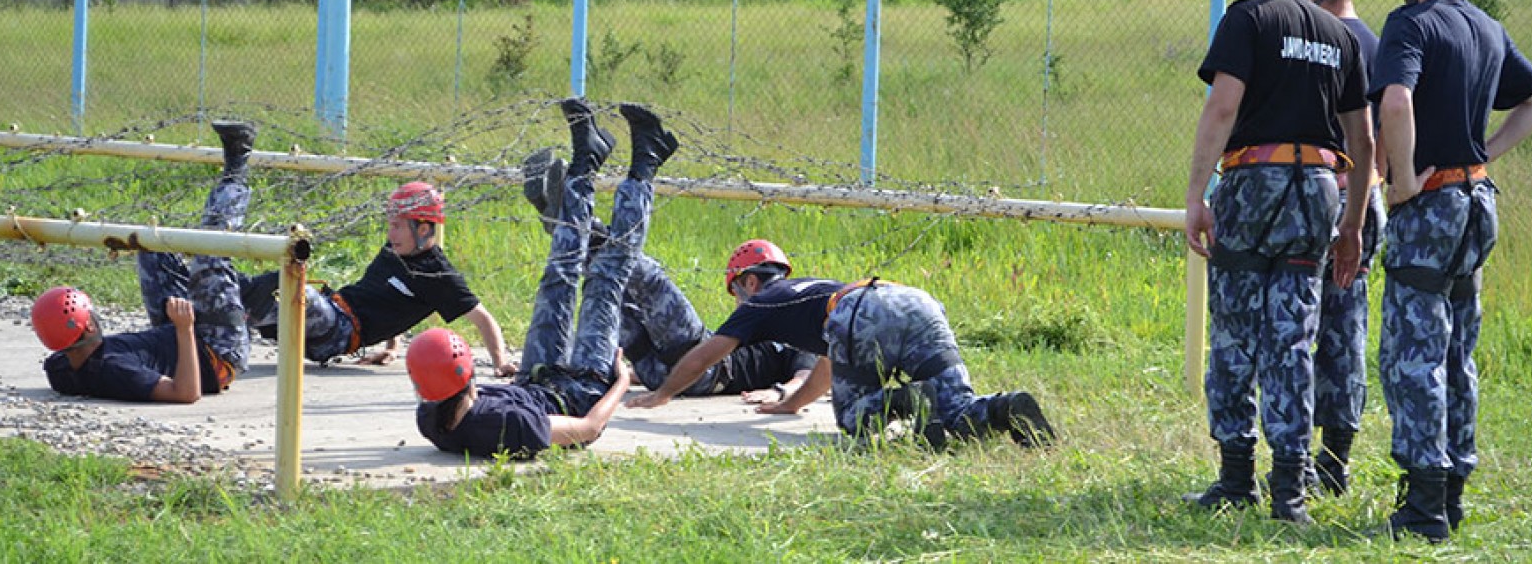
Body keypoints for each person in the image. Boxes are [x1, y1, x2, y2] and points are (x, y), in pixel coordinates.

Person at [1181, 0, 1374, 524]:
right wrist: (1353, 222)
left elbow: (1222, 108)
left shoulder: (1248, 18)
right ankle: (1290, 491)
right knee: (1295, 336)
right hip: (1320, 188)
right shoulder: (1340, 35)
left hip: (1253, 182)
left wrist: (1195, 193)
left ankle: (1237, 476)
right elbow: (1363, 138)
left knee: (1236, 331)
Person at [1373, 0, 1532, 542]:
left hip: (1432, 207)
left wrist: (1402, 178)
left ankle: (1422, 506)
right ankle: (1451, 493)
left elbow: (1396, 100)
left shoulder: (1410, 24)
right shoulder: (1487, 27)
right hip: (1478, 205)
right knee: (1457, 354)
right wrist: (1485, 156)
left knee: (1412, 356)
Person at [408, 98, 673, 457]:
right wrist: (622, 382)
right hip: (584, 389)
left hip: (535, 379)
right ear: (467, 374)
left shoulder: (431, 418)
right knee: (606, 278)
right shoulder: (503, 425)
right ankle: (646, 164)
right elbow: (588, 429)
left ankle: (587, 159)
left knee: (559, 273)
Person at [624, 240, 1056, 449]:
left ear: (748, 282)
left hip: (859, 308)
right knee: (958, 413)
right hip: (917, 302)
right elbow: (829, 364)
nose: (736, 302)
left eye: (735, 292)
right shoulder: (806, 292)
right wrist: (791, 405)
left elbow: (703, 355)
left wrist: (663, 393)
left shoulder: (758, 305)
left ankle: (910, 400)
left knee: (854, 421)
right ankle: (1005, 409)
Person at [522, 152, 818, 402]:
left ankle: (580, 221)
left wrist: (778, 393)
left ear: (750, 282)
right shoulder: (780, 326)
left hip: (704, 371)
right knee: (608, 287)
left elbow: (805, 374)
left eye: (735, 291)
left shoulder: (784, 331)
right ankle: (570, 221)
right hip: (660, 372)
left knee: (647, 279)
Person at [33, 121, 259, 403]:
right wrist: (184, 327)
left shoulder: (61, 367)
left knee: (150, 247)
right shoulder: (117, 371)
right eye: (90, 314)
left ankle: (237, 295)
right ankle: (237, 166)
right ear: (88, 327)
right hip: (216, 350)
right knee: (211, 248)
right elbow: (187, 392)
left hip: (174, 331)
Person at [237, 181, 515, 376]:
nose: (390, 234)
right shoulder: (394, 251)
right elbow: (390, 298)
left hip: (339, 332)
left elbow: (484, 319)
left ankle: (239, 300)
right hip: (330, 311)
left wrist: (500, 362)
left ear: (424, 229)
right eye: (389, 226)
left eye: (397, 227)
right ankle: (224, 304)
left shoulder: (438, 275)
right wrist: (391, 347)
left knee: (290, 286)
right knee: (241, 298)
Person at [1303, 0, 1385, 496]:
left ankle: (1297, 459)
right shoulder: (1377, 44)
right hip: (1368, 195)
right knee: (1346, 328)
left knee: (1298, 324)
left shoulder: (1318, 45)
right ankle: (1337, 459)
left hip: (1319, 193)